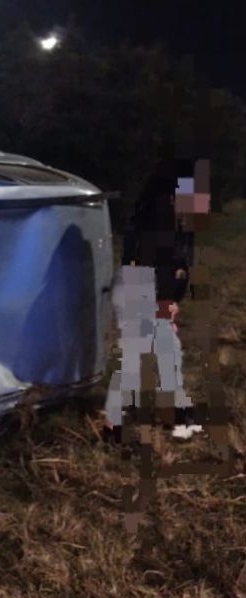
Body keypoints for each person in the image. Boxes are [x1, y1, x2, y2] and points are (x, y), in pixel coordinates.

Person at [104, 157, 208, 441]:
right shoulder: (160, 213)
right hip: (140, 286)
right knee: (135, 355)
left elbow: (178, 264)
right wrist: (164, 299)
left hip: (148, 287)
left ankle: (173, 410)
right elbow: (156, 258)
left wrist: (171, 299)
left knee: (168, 349)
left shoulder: (179, 220)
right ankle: (115, 423)